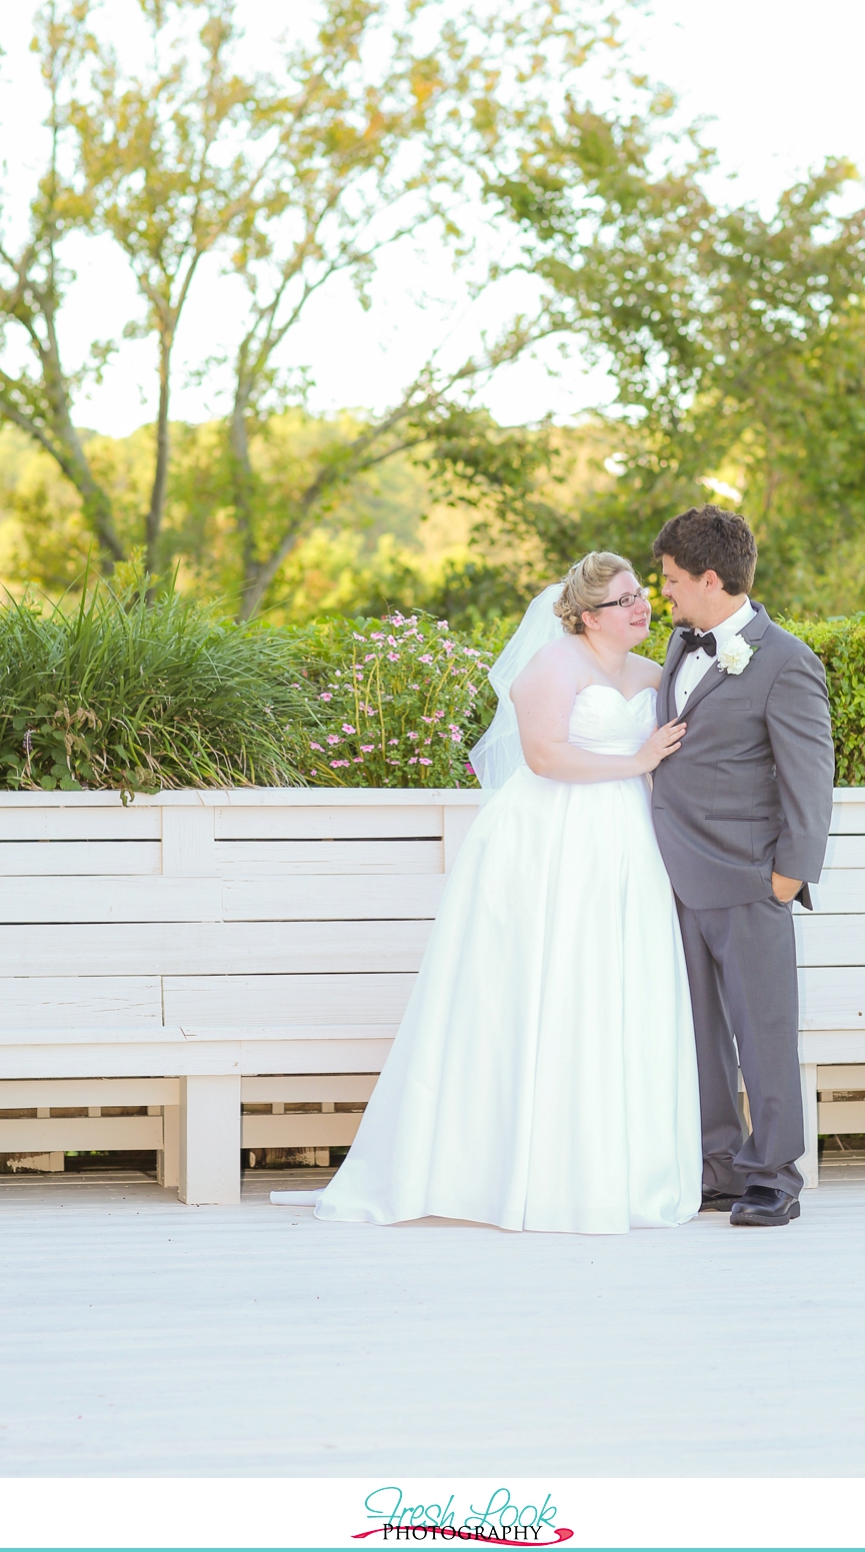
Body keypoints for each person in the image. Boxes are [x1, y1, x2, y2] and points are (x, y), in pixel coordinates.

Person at [271, 552, 702, 1234]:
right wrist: (637, 760)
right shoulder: (553, 666)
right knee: (543, 987)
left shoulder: (654, 673)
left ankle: (616, 1168)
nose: (641, 606)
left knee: (615, 987)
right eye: (624, 600)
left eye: (641, 594)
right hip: (548, 841)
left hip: (626, 841)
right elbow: (544, 754)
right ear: (589, 615)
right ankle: (515, 1168)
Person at [650, 506, 835, 1228]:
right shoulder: (679, 643)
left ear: (708, 577)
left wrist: (789, 874)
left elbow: (809, 781)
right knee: (697, 1032)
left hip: (750, 878)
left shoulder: (785, 659)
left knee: (763, 1029)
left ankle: (775, 1173)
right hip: (673, 877)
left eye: (668, 579)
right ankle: (719, 1166)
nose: (662, 592)